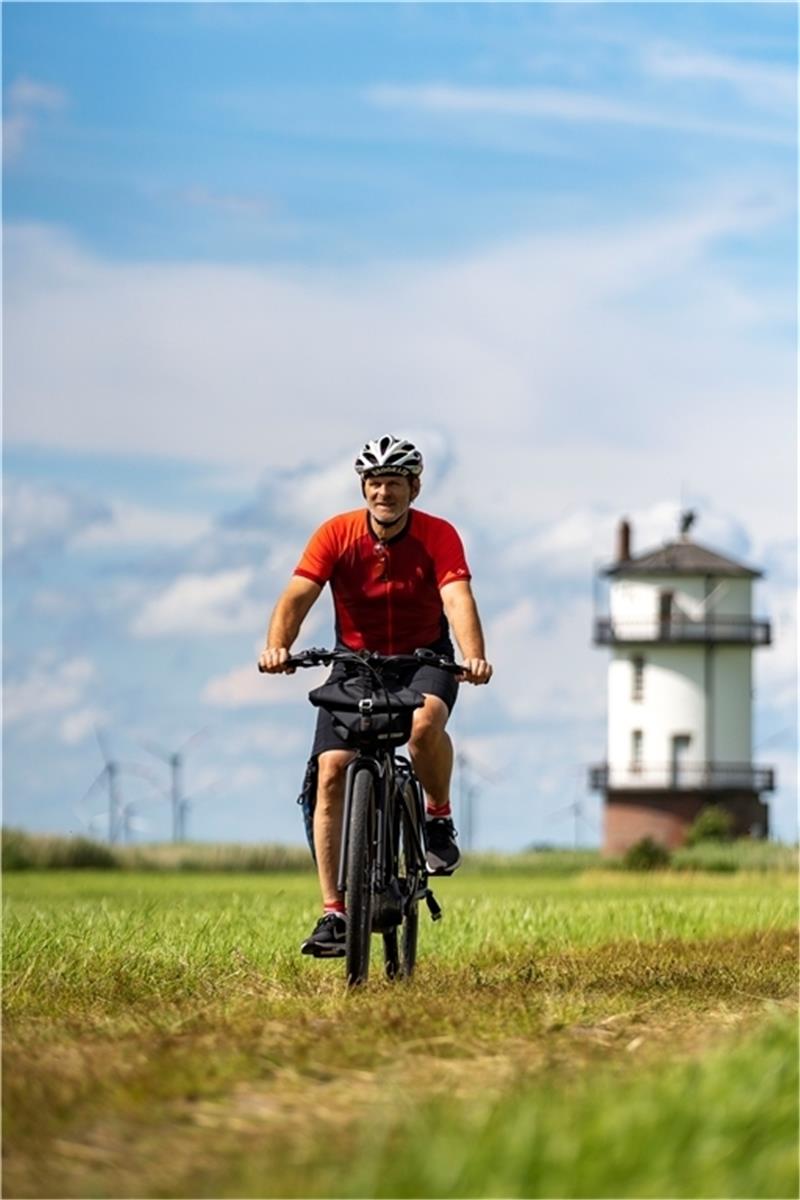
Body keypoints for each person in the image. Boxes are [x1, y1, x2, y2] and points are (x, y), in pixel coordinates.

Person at [258, 435, 492, 957]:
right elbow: (298, 592)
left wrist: (473, 655)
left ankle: (436, 816)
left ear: (414, 486)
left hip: (422, 660)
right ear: (363, 487)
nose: (382, 492)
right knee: (332, 770)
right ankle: (334, 914)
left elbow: (457, 597)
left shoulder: (438, 535)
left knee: (425, 727)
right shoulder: (336, 533)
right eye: (374, 482)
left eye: (393, 482)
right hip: (355, 664)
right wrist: (278, 646)